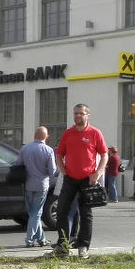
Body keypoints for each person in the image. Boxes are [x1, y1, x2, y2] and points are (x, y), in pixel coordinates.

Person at [52, 103, 107, 259]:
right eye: (75, 113)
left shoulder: (95, 133)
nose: (77, 116)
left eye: (81, 113)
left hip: (87, 180)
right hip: (70, 179)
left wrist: (97, 173)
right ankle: (63, 246)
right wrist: (63, 171)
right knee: (61, 211)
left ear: (87, 115)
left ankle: (83, 247)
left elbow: (104, 155)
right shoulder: (68, 133)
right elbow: (59, 154)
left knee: (85, 214)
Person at [17, 126, 58, 248]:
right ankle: (29, 240)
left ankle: (41, 239)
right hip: (42, 185)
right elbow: (52, 171)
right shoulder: (48, 150)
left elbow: (18, 164)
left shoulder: (25, 149)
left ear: (35, 135)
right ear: (47, 136)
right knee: (36, 214)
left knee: (33, 213)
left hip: (28, 184)